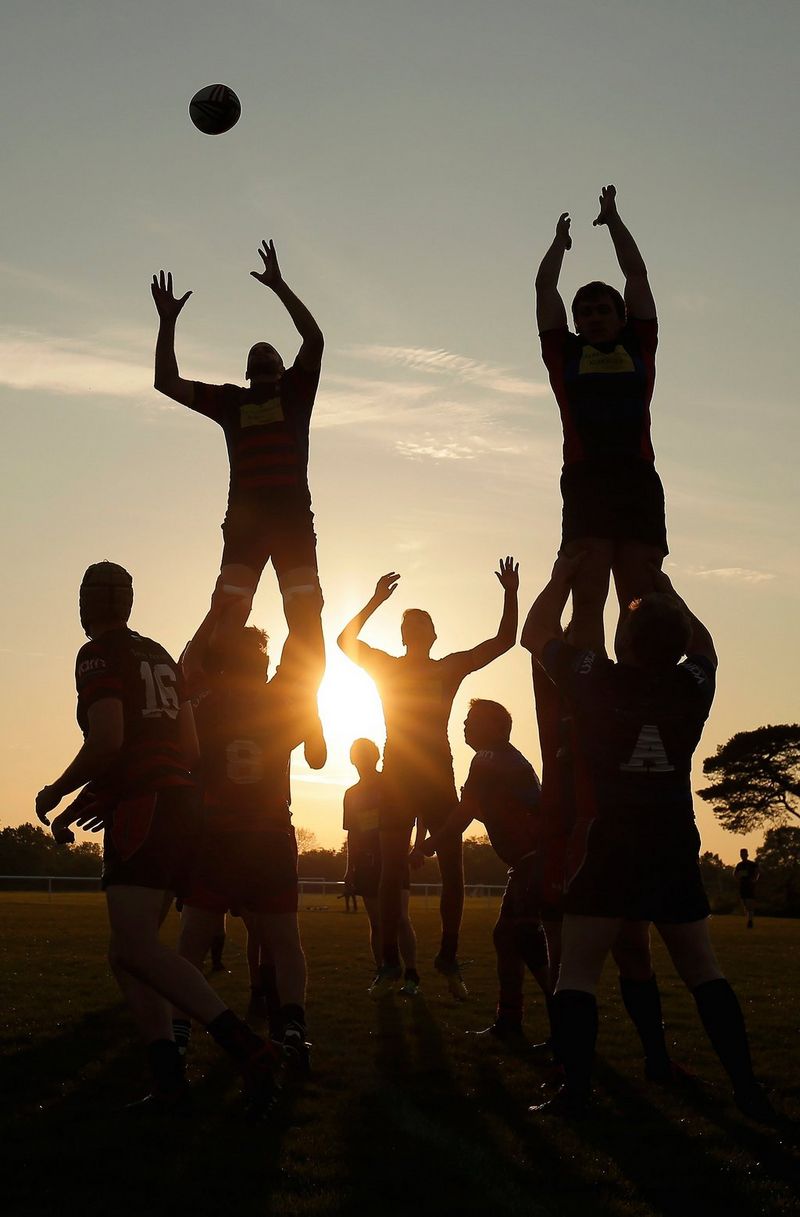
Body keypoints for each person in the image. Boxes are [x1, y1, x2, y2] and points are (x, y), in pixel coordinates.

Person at [521, 555, 776, 1122]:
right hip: (671, 842)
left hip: (615, 844)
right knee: (703, 970)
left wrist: (563, 576)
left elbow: (533, 635)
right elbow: (706, 648)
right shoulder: (690, 686)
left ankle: (576, 1092)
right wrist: (668, 590)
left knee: (578, 974)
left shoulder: (598, 680)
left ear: (625, 640)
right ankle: (746, 1089)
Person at [37, 562, 283, 1114]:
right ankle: (168, 1075)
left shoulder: (99, 654)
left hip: (147, 807)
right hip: (179, 805)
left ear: (89, 604)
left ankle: (246, 1046)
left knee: (136, 947)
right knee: (126, 953)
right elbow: (189, 751)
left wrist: (59, 790)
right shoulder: (160, 656)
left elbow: (107, 739)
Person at [151, 240, 326, 769]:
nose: (266, 362)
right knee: (229, 611)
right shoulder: (233, 402)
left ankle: (308, 707)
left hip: (293, 522)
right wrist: (167, 323)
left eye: (270, 357)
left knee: (306, 616)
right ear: (250, 371)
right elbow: (166, 382)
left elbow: (314, 337)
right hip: (247, 525)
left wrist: (280, 287)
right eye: (259, 359)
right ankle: (209, 691)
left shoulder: (297, 393)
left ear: (279, 368)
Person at [337, 558, 519, 998]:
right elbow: (344, 640)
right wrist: (375, 600)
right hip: (400, 776)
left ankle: (448, 956)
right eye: (410, 627)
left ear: (433, 635)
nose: (415, 631)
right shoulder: (388, 667)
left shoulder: (447, 668)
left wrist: (511, 593)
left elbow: (504, 641)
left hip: (436, 774)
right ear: (404, 637)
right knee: (391, 867)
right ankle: (389, 965)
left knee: (452, 872)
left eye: (422, 626)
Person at [176, 606, 311, 1070]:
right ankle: (294, 1029)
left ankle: (178, 1031)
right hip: (271, 831)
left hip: (219, 833)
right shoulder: (281, 702)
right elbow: (315, 755)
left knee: (192, 942)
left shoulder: (204, 704)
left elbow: (187, 758)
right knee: (284, 941)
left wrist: (212, 615)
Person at [535, 184, 665, 654]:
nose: (593, 317)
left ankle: (637, 690)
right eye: (584, 312)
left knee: (641, 598)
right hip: (587, 478)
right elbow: (544, 288)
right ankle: (590, 687)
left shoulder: (638, 345)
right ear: (574, 322)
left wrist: (613, 220)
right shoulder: (564, 352)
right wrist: (559, 244)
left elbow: (637, 273)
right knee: (587, 596)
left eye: (602, 310)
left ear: (620, 315)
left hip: (636, 479)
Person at [421, 700, 548, 1044]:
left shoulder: (486, 758)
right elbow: (493, 809)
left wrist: (427, 846)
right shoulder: (505, 759)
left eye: (472, 720)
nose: (464, 724)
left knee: (524, 939)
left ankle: (563, 1016)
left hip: (531, 861)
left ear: (495, 728)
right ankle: (511, 1021)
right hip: (530, 861)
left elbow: (465, 813)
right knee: (508, 938)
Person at [343, 738, 419, 996]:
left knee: (399, 919)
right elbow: (352, 833)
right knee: (376, 923)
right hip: (367, 863)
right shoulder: (351, 794)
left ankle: (411, 975)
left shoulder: (391, 785)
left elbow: (416, 815)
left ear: (376, 757)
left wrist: (415, 846)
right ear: (352, 760)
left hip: (394, 859)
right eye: (358, 755)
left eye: (367, 755)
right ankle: (383, 973)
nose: (363, 760)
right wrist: (350, 868)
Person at [733, 848, 760, 929]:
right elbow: (735, 874)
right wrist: (738, 878)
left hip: (750, 886)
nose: (743, 856)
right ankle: (749, 919)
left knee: (749, 904)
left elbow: (758, 872)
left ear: (747, 855)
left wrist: (755, 880)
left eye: (744, 854)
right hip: (743, 886)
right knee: (745, 904)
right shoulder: (739, 865)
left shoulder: (752, 864)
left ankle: (750, 921)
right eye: (741, 854)